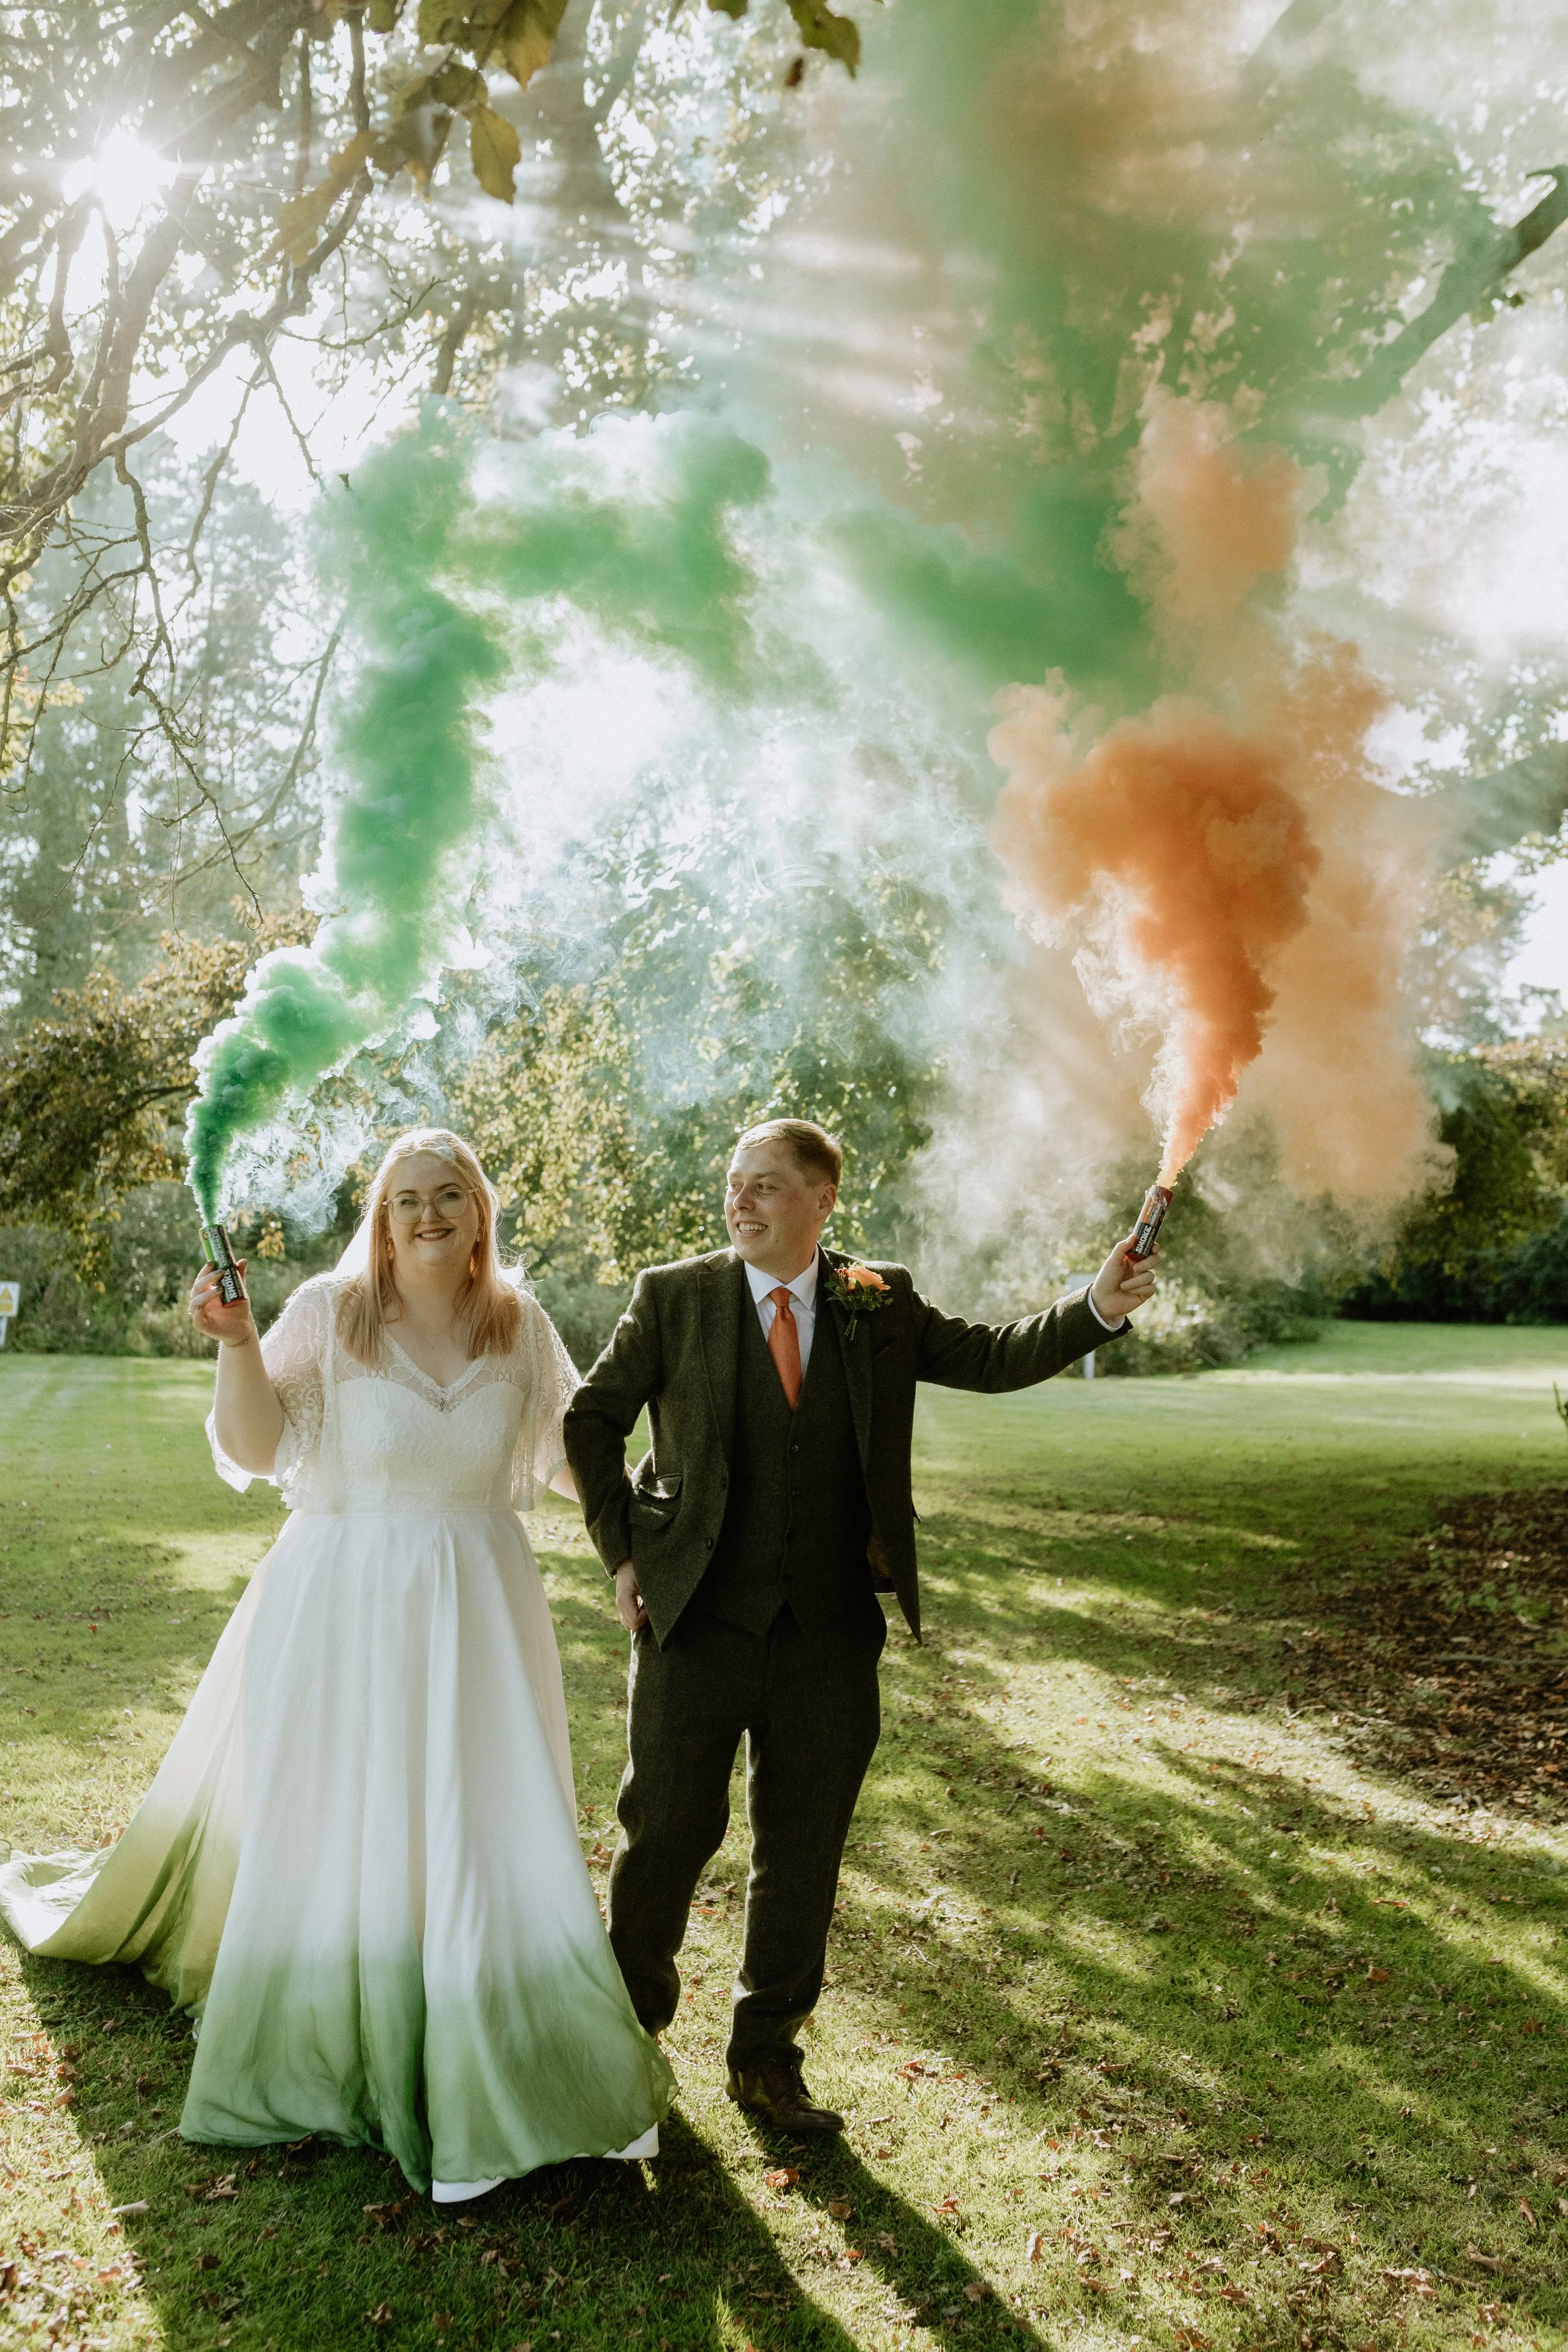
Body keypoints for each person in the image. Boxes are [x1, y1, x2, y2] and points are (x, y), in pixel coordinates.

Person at [0, 1128, 672, 2200]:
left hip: (483, 1614)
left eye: (450, 1194)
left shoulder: (522, 1324)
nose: (429, 1214)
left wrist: (643, 1546)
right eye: (408, 1198)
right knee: (352, 1816)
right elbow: (261, 1447)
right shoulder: (330, 1309)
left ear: (480, 1211)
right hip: (345, 1600)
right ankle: (345, 2022)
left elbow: (567, 1462)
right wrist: (236, 1342)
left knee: (478, 1823)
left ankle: (487, 2026)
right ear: (381, 1215)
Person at [564, 1118, 1158, 2134]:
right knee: (662, 1837)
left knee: (803, 1850)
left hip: (831, 1635)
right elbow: (590, 1417)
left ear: (822, 1200)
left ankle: (766, 2059)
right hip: (694, 1625)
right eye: (733, 1184)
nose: (739, 1202)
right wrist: (626, 1553)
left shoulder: (876, 1300)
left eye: (764, 1186)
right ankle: (624, 2047)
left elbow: (993, 1355)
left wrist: (1097, 1305)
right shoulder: (677, 1296)